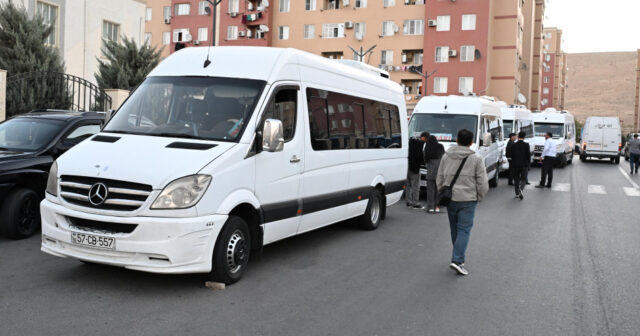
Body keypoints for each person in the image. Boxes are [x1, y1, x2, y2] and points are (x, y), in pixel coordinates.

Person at [436, 129, 489, 276]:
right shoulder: (476, 159)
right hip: (468, 199)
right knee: (464, 230)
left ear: (457, 140)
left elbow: (439, 177)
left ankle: (458, 257)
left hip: (450, 198)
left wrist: (442, 192)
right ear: (471, 143)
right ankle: (458, 259)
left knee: (455, 229)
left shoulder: (446, 156)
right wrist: (480, 196)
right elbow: (482, 182)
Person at [406, 132, 428, 208]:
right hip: (415, 167)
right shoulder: (419, 144)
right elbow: (420, 156)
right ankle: (415, 202)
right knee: (415, 185)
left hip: (407, 166)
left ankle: (408, 201)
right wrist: (424, 162)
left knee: (408, 185)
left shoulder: (409, 142)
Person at [423, 135, 445, 213]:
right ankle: (437, 206)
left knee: (430, 191)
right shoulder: (440, 147)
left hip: (430, 172)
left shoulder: (427, 148)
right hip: (439, 172)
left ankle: (430, 206)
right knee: (438, 190)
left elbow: (425, 160)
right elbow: (444, 158)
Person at [510, 131, 532, 200]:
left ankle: (517, 193)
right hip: (524, 165)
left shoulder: (513, 145)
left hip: (515, 165)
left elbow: (511, 155)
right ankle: (521, 189)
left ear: (518, 136)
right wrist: (528, 164)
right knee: (524, 179)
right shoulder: (526, 145)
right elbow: (528, 155)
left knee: (516, 179)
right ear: (524, 137)